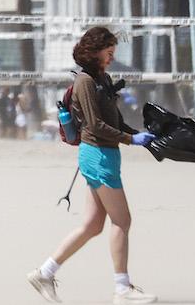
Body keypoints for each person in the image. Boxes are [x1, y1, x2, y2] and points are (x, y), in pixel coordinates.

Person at [27, 27, 158, 304]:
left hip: (104, 154)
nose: (111, 58)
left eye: (113, 53)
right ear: (95, 51)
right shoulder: (86, 81)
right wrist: (131, 139)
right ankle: (122, 289)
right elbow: (96, 125)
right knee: (122, 221)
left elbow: (114, 120)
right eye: (108, 52)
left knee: (92, 225)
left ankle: (44, 273)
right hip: (97, 155)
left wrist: (140, 135)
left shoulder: (103, 78)